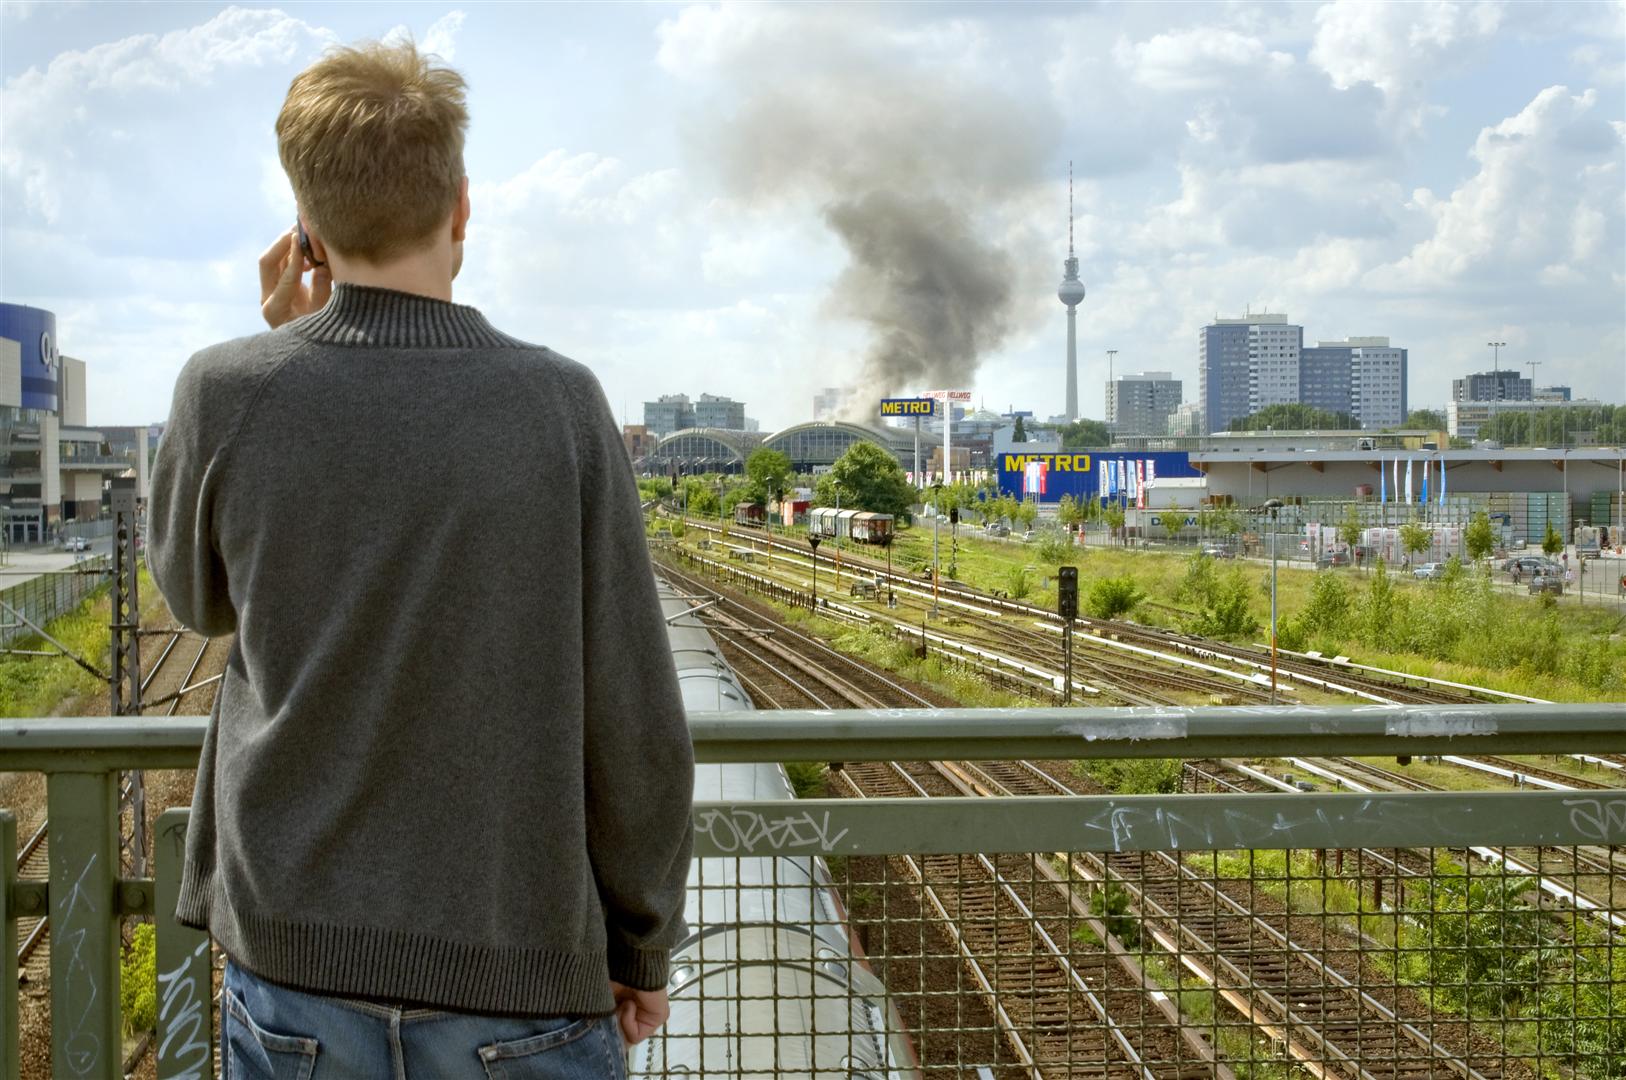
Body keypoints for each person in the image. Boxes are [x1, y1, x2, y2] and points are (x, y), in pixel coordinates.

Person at [148, 40, 693, 1076]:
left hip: (294, 968)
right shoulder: (561, 406)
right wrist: (640, 940)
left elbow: (196, 599)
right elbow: (633, 710)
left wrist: (278, 343)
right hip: (520, 976)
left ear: (305, 227)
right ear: (463, 208)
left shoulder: (224, 391)